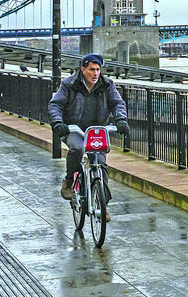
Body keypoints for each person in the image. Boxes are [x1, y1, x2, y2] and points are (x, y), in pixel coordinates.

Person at [48, 53, 129, 219]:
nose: (95, 73)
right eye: (92, 69)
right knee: (77, 148)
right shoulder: (69, 84)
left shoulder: (107, 85)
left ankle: (102, 205)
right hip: (74, 129)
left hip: (96, 131)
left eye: (98, 69)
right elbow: (55, 105)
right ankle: (69, 181)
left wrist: (121, 119)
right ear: (83, 70)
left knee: (101, 164)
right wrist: (58, 123)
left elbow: (118, 103)